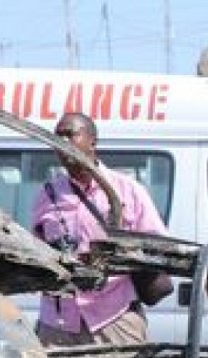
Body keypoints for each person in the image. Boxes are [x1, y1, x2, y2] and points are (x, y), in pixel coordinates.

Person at [30, 111, 168, 346]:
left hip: (113, 319)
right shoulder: (48, 194)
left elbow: (158, 248)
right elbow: (35, 249)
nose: (62, 142)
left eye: (69, 135)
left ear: (92, 141)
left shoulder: (127, 190)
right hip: (58, 324)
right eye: (57, 136)